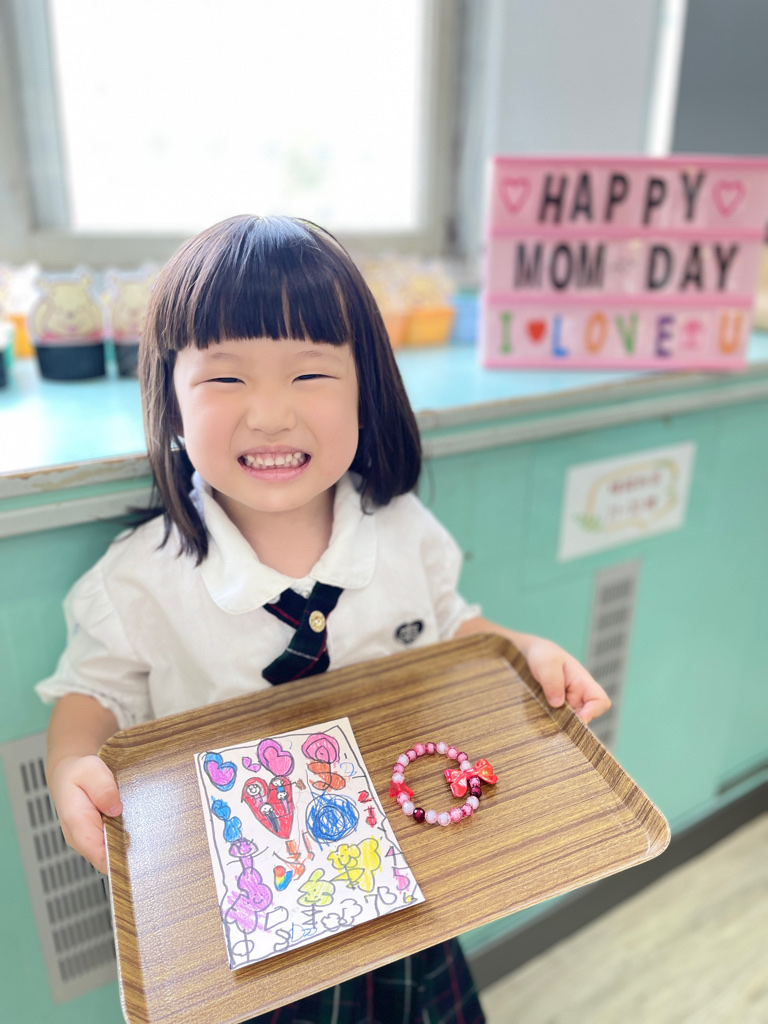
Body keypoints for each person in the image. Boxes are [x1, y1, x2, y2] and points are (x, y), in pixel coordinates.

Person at [37, 215, 610, 1024]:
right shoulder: (140, 577)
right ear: (170, 400)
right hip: (248, 917)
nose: (270, 415)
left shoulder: (403, 530)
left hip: (412, 877)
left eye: (310, 374)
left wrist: (524, 651)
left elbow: (457, 631)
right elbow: (93, 698)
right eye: (225, 379)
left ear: (366, 391)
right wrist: (72, 766)